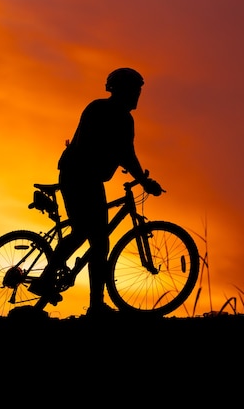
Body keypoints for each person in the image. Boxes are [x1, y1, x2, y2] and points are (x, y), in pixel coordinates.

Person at [29, 67, 163, 317]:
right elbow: (120, 151)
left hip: (82, 176)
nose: (138, 96)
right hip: (81, 176)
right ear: (124, 90)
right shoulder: (109, 113)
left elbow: (122, 152)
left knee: (93, 239)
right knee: (91, 237)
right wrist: (144, 182)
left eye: (139, 91)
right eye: (135, 90)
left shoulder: (110, 112)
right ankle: (61, 288)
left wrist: (130, 169)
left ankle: (89, 301)